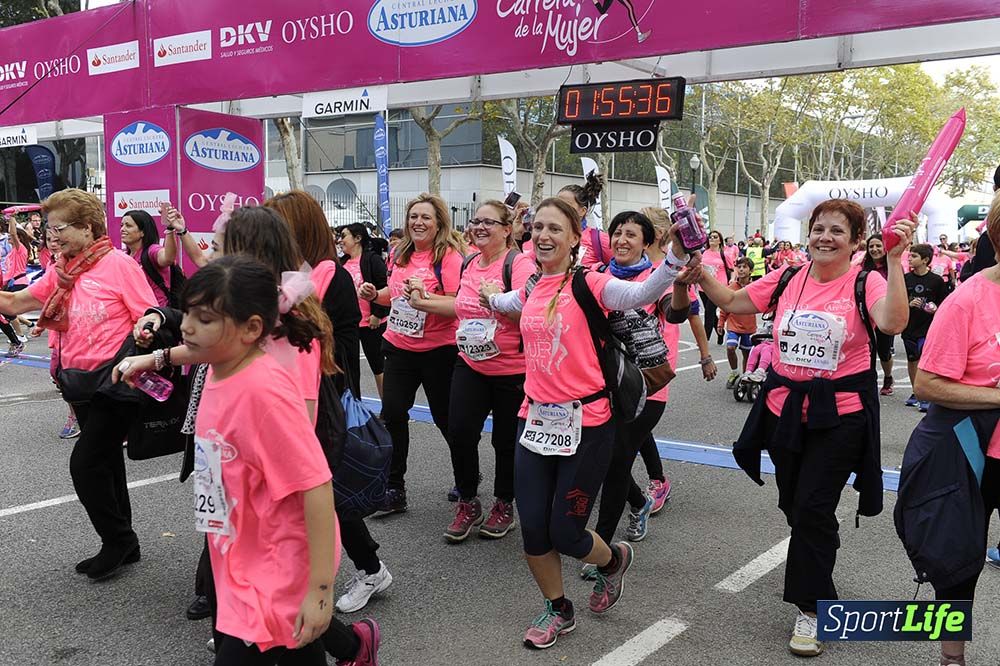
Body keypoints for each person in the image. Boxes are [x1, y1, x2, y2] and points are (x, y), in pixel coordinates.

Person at [125, 256, 378, 666]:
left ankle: (355, 646)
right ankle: (355, 649)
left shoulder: (263, 392)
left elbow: (314, 485)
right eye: (187, 312)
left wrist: (319, 591)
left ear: (251, 329)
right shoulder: (219, 370)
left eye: (204, 318)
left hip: (275, 569)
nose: (187, 326)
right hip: (238, 557)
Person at [696, 199, 913, 658]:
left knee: (812, 508)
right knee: (796, 505)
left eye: (838, 231)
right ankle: (819, 556)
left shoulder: (865, 280)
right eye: (819, 228)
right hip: (783, 410)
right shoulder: (790, 276)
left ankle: (811, 609)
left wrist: (893, 261)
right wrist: (700, 275)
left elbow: (892, 321)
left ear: (856, 243)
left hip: (840, 417)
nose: (825, 237)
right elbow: (736, 301)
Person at [481, 196, 697, 649]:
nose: (543, 235)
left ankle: (614, 560)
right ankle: (559, 608)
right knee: (535, 529)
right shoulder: (532, 288)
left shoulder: (591, 284)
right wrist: (483, 296)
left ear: (576, 238)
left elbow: (641, 293)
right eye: (537, 227)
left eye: (555, 229)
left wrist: (676, 253)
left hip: (590, 423)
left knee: (566, 530)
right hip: (534, 420)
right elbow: (503, 302)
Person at [0, 189, 159, 580]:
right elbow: (17, 304)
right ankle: (128, 543)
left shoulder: (119, 265)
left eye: (59, 229)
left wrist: (146, 328)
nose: (52, 237)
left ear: (87, 229)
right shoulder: (63, 271)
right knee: (105, 463)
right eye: (50, 229)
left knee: (85, 465)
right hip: (79, 384)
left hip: (116, 383)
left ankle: (116, 539)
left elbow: (148, 313)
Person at [912, 196, 1000, 666]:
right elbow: (927, 383)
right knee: (958, 561)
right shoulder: (967, 299)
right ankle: (952, 659)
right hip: (974, 453)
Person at [414, 200, 535, 542]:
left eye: (489, 222)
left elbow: (529, 314)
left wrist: (497, 301)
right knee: (460, 430)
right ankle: (468, 500)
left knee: (506, 442)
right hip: (470, 362)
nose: (480, 227)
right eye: (476, 221)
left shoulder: (520, 265)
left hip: (512, 369)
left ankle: (503, 503)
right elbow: (459, 306)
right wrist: (424, 301)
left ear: (507, 229)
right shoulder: (470, 261)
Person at [587, 211, 693, 558]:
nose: (621, 240)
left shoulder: (655, 277)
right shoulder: (597, 275)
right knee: (604, 459)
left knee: (615, 459)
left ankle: (602, 545)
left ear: (647, 243)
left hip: (647, 387)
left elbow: (675, 313)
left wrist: (678, 284)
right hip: (601, 384)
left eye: (631, 234)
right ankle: (639, 501)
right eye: (617, 233)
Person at [358, 194, 465, 513]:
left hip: (438, 350)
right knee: (392, 415)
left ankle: (466, 482)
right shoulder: (399, 252)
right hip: (399, 347)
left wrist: (425, 299)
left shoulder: (448, 257)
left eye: (425, 217)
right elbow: (394, 293)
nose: (418, 222)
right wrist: (375, 294)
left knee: (447, 420)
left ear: (439, 223)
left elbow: (457, 303)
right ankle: (394, 488)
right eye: (413, 217)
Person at [264, 191, 363, 397]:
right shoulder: (279, 271)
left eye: (277, 227)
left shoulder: (332, 276)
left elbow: (342, 351)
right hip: (277, 387)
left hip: (320, 393)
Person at [338, 223, 390, 399]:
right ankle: (354, 405)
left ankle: (387, 409)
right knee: (350, 369)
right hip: (350, 325)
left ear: (357, 238)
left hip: (372, 323)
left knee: (378, 366)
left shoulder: (372, 260)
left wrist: (378, 314)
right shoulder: (341, 262)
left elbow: (385, 287)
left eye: (344, 236)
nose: (340, 240)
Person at [901, 244, 948, 413]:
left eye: (914, 256)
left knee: (924, 361)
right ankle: (916, 392)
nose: (909, 258)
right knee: (912, 360)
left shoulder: (936, 281)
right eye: (910, 255)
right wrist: (907, 304)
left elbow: (945, 304)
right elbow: (897, 302)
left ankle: (925, 396)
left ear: (925, 260)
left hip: (928, 328)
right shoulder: (905, 279)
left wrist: (935, 308)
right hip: (909, 326)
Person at [861, 235, 897, 396]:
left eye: (878, 246)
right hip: (865, 312)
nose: (874, 249)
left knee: (884, 351)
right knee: (865, 348)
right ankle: (867, 380)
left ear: (885, 248)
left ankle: (888, 377)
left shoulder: (893, 266)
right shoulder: (862, 267)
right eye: (871, 247)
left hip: (885, 312)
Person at [120, 209, 177, 308]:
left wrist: (170, 229)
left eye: (128, 226)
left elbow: (168, 258)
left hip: (156, 315)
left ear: (142, 232)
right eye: (122, 225)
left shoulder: (152, 251)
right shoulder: (123, 255)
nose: (122, 229)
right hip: (133, 314)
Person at [558, 172, 611, 270]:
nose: (560, 209)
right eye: (557, 204)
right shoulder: (546, 235)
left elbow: (621, 269)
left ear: (582, 211)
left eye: (567, 205)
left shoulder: (599, 239)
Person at [718, 256, 757, 389]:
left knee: (747, 353)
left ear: (751, 270)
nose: (741, 269)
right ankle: (734, 372)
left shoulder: (755, 287)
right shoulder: (731, 287)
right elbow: (725, 306)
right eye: (738, 267)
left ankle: (745, 377)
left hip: (749, 327)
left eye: (744, 267)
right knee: (730, 348)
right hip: (733, 325)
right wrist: (720, 322)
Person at [1, 215, 32, 356]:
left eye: (11, 237)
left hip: (18, 283)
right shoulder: (11, 253)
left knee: (8, 311)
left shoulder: (21, 250)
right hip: (9, 284)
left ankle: (18, 339)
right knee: (6, 312)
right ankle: (19, 336)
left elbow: (12, 233)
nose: (8, 237)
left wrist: (12, 219)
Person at [699, 230, 731, 345]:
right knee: (711, 313)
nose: (712, 239)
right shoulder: (704, 253)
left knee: (709, 311)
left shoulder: (724, 254)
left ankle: (704, 339)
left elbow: (732, 269)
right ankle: (720, 332)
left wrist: (731, 280)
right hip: (703, 287)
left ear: (720, 240)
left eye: (715, 237)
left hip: (718, 287)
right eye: (710, 237)